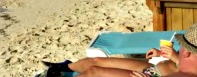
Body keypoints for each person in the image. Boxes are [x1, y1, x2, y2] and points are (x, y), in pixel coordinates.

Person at [43, 43, 179, 77]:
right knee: (94, 61)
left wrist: (176, 57)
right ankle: (62, 68)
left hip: (153, 75)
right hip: (155, 67)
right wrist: (161, 53)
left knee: (95, 71)